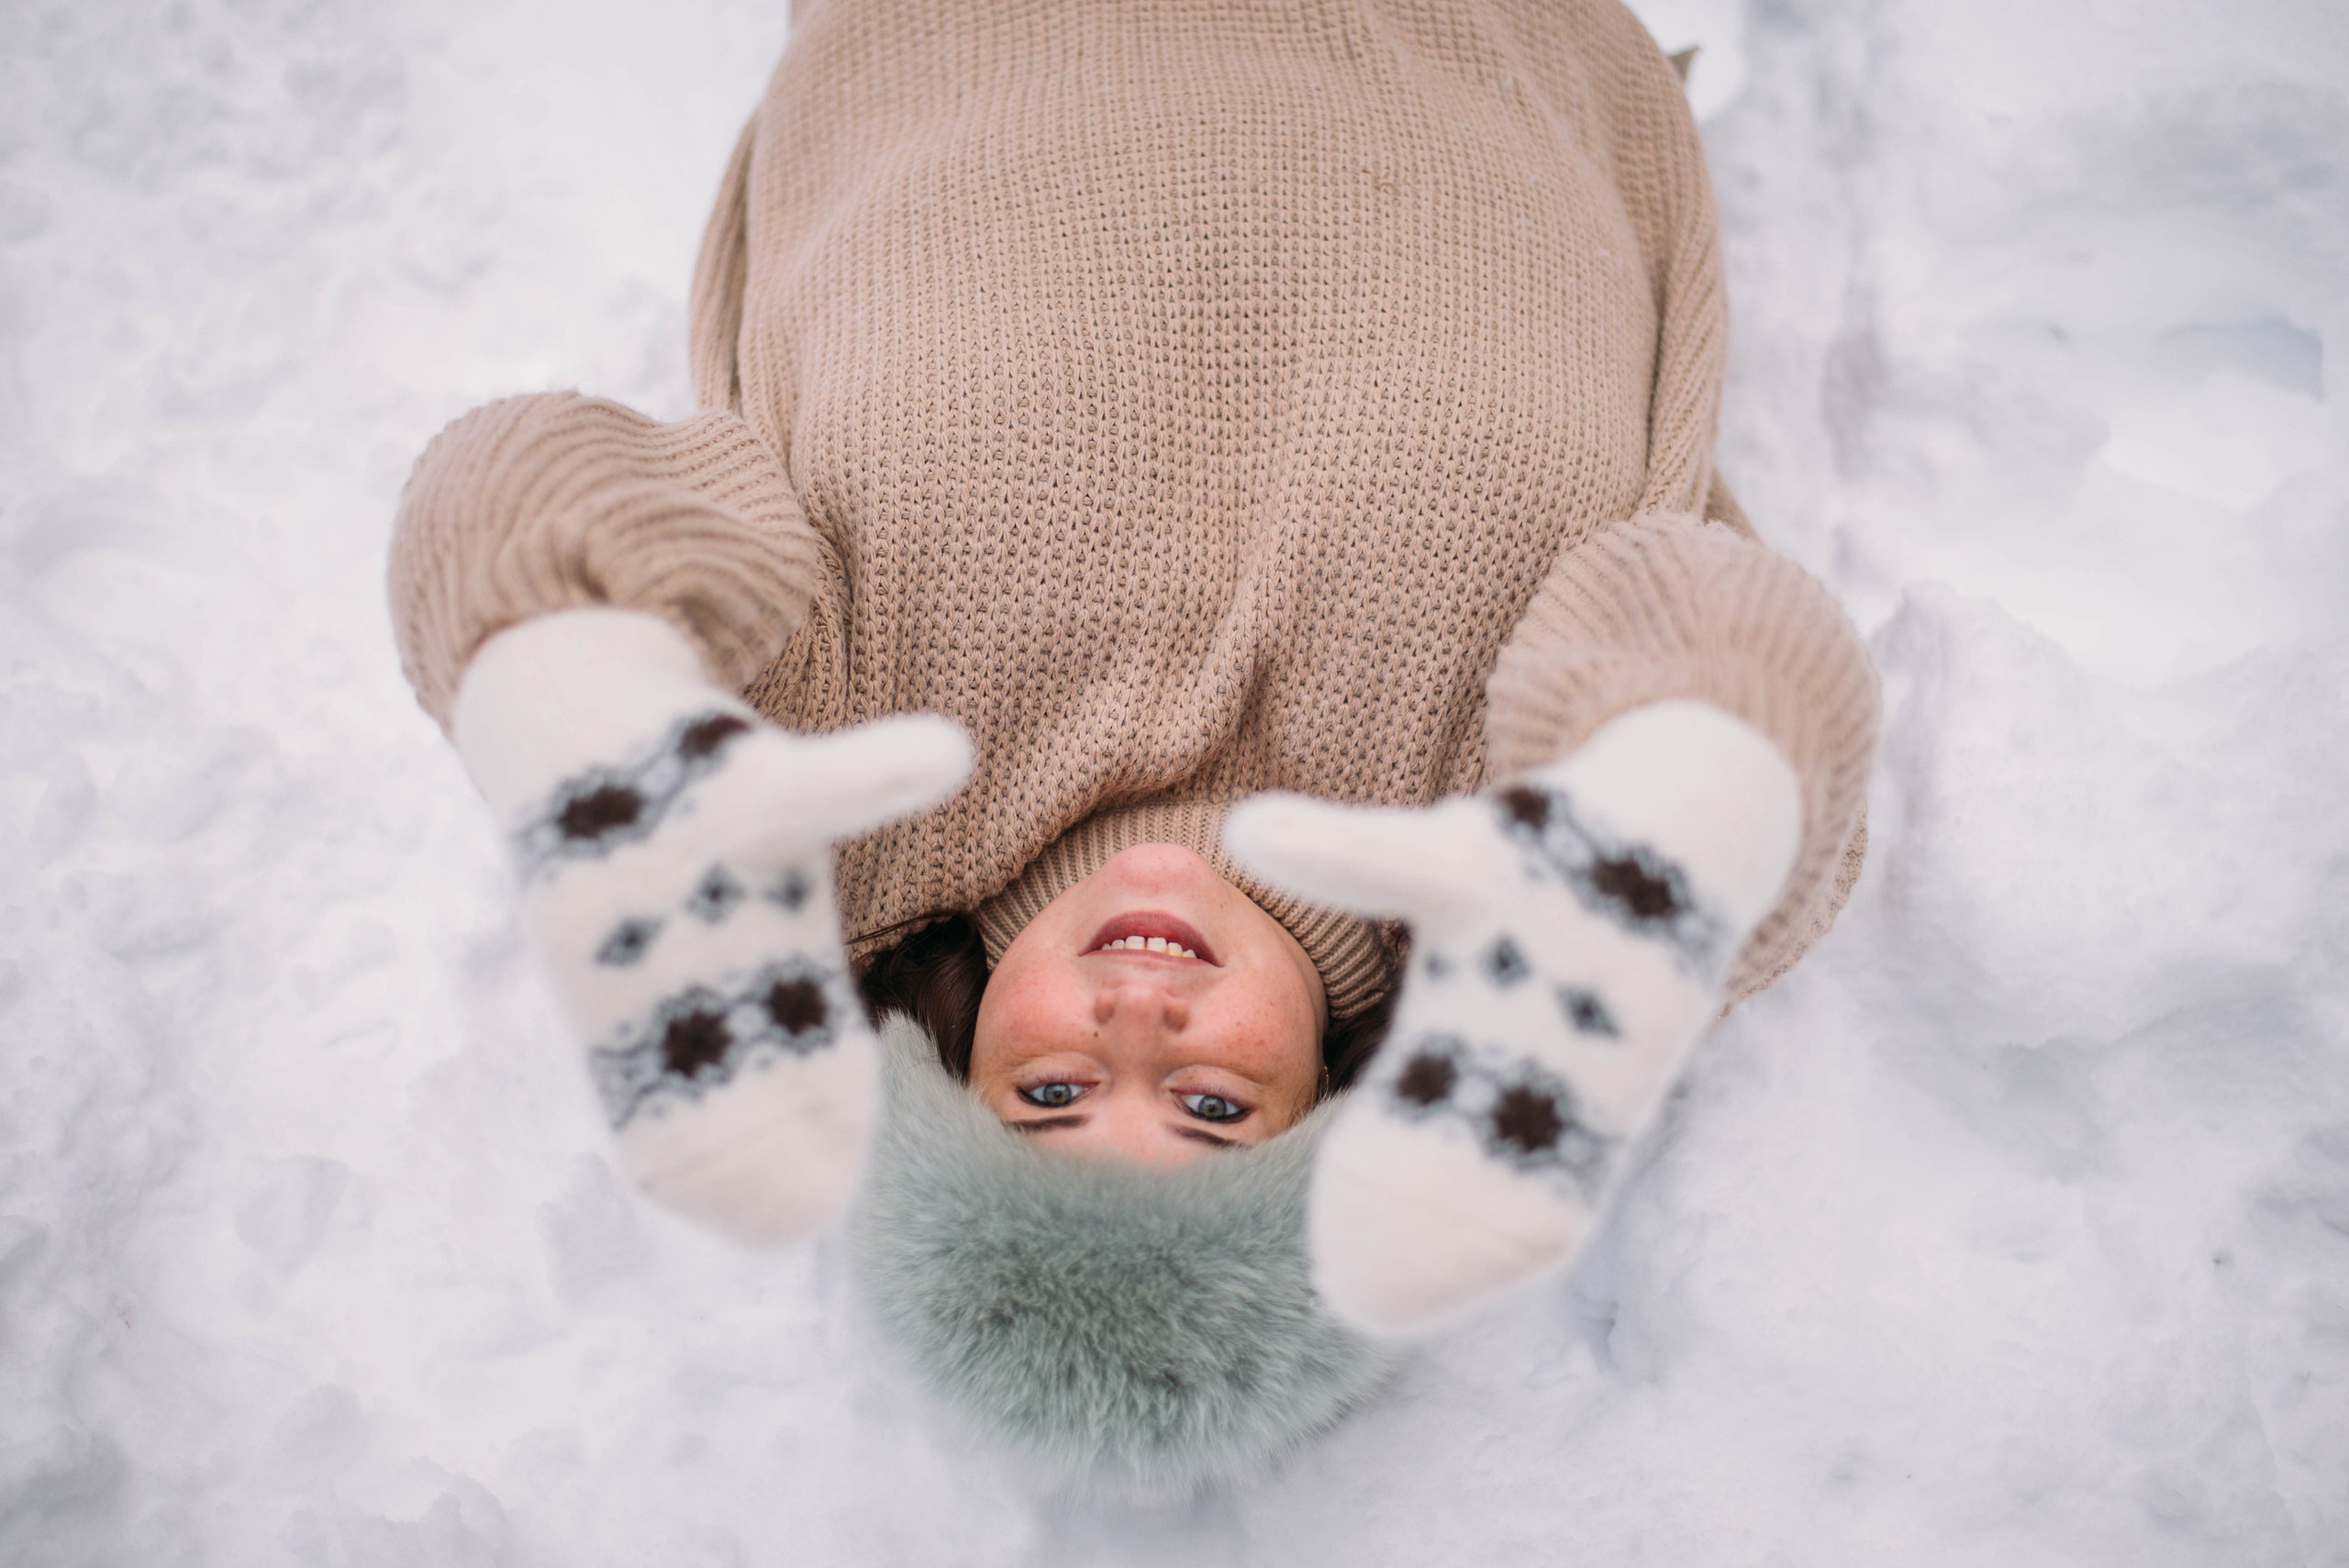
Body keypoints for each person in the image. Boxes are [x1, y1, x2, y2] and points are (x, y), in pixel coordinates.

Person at [388, 0, 1878, 1337]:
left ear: (954, 1071)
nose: (1135, 1030)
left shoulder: (840, 802)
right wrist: (1668, 836)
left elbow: (521, 492)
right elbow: (1724, 638)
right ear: (1329, 1103)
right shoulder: (1502, 848)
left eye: (1051, 1095)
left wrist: (579, 699)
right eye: (1213, 1106)